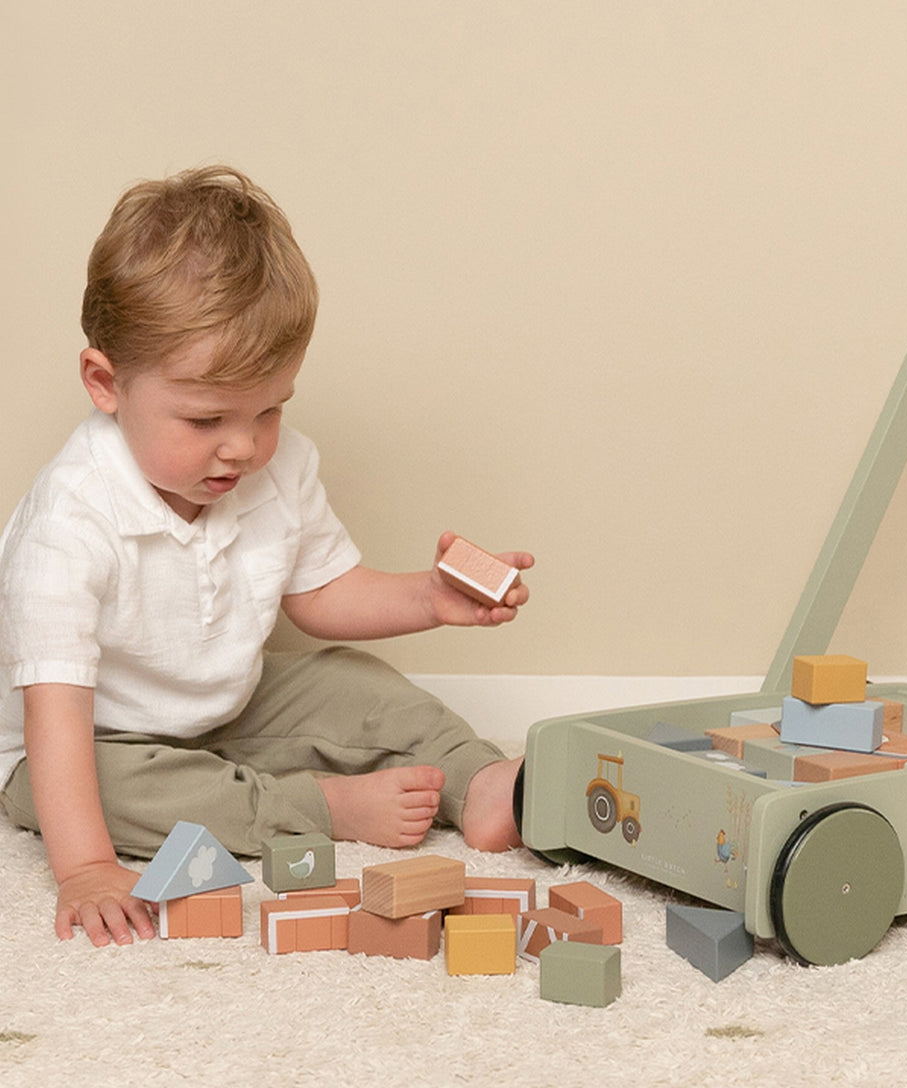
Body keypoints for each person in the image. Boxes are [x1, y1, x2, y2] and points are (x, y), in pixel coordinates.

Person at [0, 166, 532, 948]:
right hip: (84, 740)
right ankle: (320, 805)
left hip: (228, 702)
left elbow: (325, 595)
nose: (243, 447)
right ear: (106, 383)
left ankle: (478, 779)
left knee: (351, 682)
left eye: (270, 409)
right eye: (206, 417)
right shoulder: (69, 522)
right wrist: (84, 867)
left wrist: (429, 599)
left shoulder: (275, 470)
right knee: (110, 794)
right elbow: (54, 710)